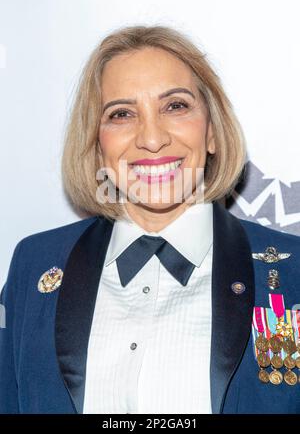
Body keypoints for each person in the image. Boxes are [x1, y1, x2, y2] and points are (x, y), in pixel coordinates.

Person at [1, 25, 300, 415]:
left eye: (175, 106)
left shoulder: (294, 270)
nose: (152, 139)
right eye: (121, 114)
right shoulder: (34, 262)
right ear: (96, 142)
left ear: (211, 131)